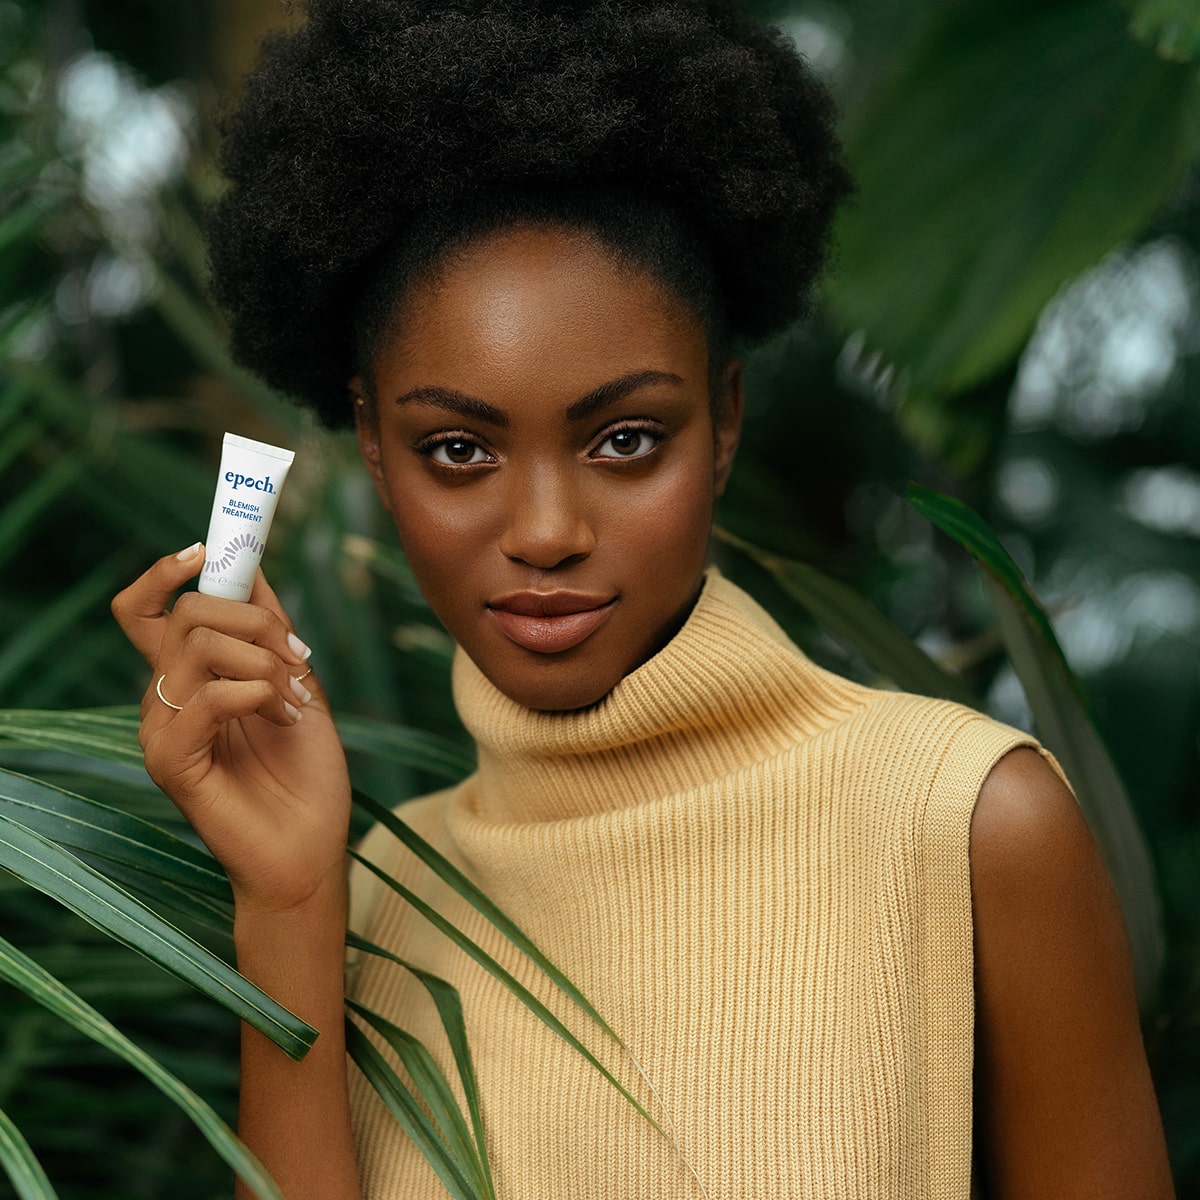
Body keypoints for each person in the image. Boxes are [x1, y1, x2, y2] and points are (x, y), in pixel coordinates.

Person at [110, 1, 1175, 1197]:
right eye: (459, 451)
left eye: (625, 439)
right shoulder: (380, 892)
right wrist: (294, 905)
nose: (548, 533)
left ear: (723, 423)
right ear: (371, 443)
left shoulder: (967, 822)